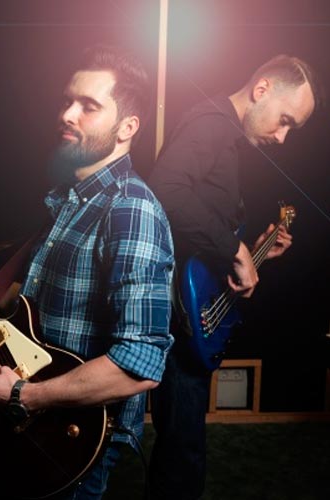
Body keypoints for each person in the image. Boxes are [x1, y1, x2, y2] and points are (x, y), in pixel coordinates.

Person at [0, 45, 174, 499]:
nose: (67, 114)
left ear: (128, 127)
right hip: (29, 419)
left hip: (75, 436)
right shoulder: (68, 199)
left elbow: (139, 365)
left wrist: (23, 394)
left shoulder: (131, 209)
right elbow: (22, 304)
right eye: (67, 101)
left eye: (89, 106)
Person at [147, 54, 323, 500]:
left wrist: (255, 249)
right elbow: (165, 190)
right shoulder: (209, 123)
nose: (282, 137)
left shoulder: (227, 138)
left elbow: (203, 230)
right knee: (182, 455)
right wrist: (234, 249)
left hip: (195, 313)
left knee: (184, 449)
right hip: (177, 318)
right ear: (262, 90)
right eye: (285, 121)